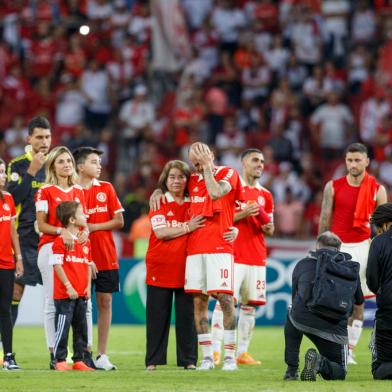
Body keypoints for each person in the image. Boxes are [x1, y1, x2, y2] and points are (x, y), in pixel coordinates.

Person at [151, 142, 241, 371]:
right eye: (195, 163)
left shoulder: (228, 174)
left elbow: (216, 192)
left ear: (212, 154)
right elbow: (172, 184)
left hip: (220, 248)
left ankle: (230, 357)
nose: (198, 167)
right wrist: (158, 190)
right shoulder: (192, 180)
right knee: (199, 303)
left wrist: (208, 167)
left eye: (201, 160)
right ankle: (207, 358)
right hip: (194, 250)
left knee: (225, 298)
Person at [318, 142, 387, 364]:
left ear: (367, 161)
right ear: (345, 161)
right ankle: (336, 346)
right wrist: (320, 249)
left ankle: (349, 350)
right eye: (349, 160)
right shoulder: (333, 186)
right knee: (337, 302)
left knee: (359, 302)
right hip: (338, 248)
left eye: (358, 160)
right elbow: (325, 218)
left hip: (364, 247)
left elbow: (384, 227)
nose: (353, 164)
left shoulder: (378, 189)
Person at [211, 148, 274, 366]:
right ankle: (216, 350)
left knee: (250, 306)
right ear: (243, 164)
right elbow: (219, 218)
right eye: (255, 160)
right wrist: (243, 213)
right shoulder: (231, 189)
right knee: (225, 303)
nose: (260, 164)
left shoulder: (266, 194)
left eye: (262, 161)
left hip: (256, 256)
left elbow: (270, 229)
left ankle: (242, 352)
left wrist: (263, 219)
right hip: (232, 255)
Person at [145, 160, 205, 371]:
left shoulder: (195, 202)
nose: (176, 181)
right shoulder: (159, 201)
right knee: (157, 316)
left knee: (187, 316)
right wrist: (188, 226)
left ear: (188, 180)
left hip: (189, 267)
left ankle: (188, 360)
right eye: (172, 177)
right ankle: (152, 361)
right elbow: (161, 233)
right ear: (165, 180)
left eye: (181, 177)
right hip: (160, 265)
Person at [284, 231, 363, 381]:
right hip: (333, 329)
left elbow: (294, 297)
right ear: (340, 249)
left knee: (290, 310)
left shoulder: (303, 264)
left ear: (317, 246)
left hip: (301, 320)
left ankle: (291, 370)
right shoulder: (350, 269)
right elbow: (358, 302)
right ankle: (320, 363)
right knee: (340, 372)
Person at [35, 146, 88, 369]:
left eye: (69, 161)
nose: (67, 165)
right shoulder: (44, 191)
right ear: (52, 166)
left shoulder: (79, 191)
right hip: (50, 248)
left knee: (84, 302)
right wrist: (61, 231)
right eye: (61, 162)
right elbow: (41, 224)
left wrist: (85, 233)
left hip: (76, 251)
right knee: (52, 301)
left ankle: (83, 355)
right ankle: (54, 354)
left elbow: (84, 221)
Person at [73, 147, 124, 370]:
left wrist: (93, 226)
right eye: (94, 162)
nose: (100, 165)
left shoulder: (106, 188)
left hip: (106, 255)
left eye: (100, 161)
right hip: (79, 257)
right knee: (80, 305)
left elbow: (119, 221)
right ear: (80, 166)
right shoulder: (72, 191)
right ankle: (83, 352)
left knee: (105, 302)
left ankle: (102, 354)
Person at [6, 116, 51, 327]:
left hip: (51, 236)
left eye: (48, 137)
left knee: (59, 292)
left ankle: (61, 352)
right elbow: (11, 199)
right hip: (23, 237)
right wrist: (32, 171)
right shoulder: (18, 165)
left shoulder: (56, 164)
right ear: (29, 138)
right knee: (15, 291)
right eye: (39, 137)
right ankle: (4, 347)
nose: (44, 141)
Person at [50, 201, 93, 371]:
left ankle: (79, 359)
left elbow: (88, 264)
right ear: (72, 220)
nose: (86, 216)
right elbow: (57, 265)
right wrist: (68, 286)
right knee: (63, 326)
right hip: (65, 294)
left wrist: (88, 286)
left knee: (81, 328)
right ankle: (59, 360)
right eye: (82, 213)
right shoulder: (60, 241)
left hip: (82, 293)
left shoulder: (85, 241)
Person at [0, 158, 23, 370]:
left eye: (3, 172)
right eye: (0, 173)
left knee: (5, 310)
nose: (3, 176)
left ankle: (8, 356)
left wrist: (19, 257)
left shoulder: (8, 198)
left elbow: (12, 230)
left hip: (6, 263)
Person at [366, 203, 392, 380]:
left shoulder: (379, 242)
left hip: (388, 313)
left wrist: (381, 292)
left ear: (385, 224)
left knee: (380, 369)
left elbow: (372, 279)